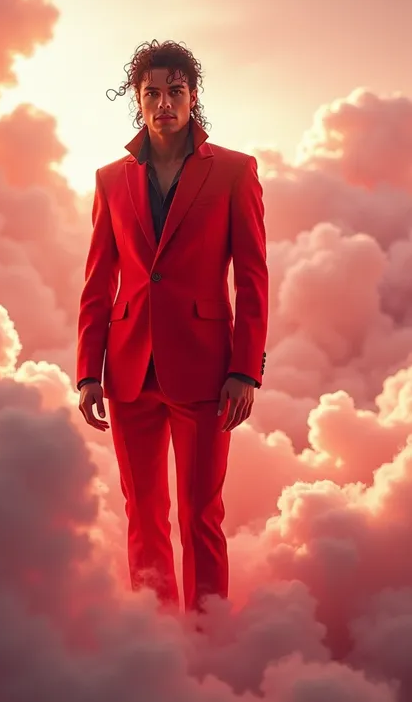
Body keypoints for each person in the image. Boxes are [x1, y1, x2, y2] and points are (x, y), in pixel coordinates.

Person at [77, 39, 268, 614]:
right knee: (143, 515)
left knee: (200, 516)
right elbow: (97, 281)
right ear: (138, 101)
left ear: (192, 96)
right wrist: (89, 372)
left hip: (209, 371)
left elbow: (253, 278)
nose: (164, 103)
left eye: (175, 92)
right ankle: (155, 646)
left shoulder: (235, 171)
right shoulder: (111, 179)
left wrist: (245, 369)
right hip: (128, 370)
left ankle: (209, 648)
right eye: (152, 93)